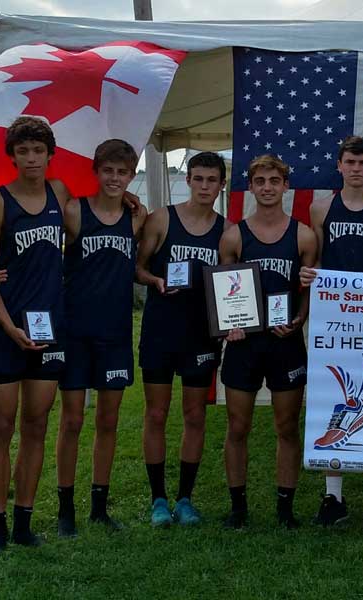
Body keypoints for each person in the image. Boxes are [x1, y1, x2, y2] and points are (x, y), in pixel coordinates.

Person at [0, 115, 71, 555]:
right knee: (1, 425)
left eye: (38, 150)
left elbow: (92, 219)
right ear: (11, 156)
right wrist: (7, 325)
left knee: (37, 424)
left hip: (50, 326)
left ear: (50, 154)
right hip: (5, 328)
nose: (31, 158)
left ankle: (23, 521)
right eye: (23, 151)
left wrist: (127, 198)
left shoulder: (60, 193)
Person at [299, 136, 363, 529]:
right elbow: (317, 259)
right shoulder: (321, 207)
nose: (356, 169)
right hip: (332, 317)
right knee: (331, 399)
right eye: (350, 162)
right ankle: (333, 495)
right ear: (339, 166)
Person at [219, 154, 317, 529]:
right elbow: (223, 289)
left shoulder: (303, 235)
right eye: (260, 181)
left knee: (286, 426)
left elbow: (308, 288)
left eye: (274, 181)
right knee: (238, 426)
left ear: (285, 186)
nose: (267, 187)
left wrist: (300, 318)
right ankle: (238, 507)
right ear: (251, 186)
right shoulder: (234, 235)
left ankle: (284, 507)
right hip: (244, 343)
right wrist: (230, 324)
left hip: (285, 342)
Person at [54, 140, 145, 537]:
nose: (114, 178)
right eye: (108, 170)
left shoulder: (136, 218)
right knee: (72, 420)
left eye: (122, 172)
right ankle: (65, 508)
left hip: (115, 333)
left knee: (108, 421)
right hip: (75, 331)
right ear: (97, 171)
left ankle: (99, 507)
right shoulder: (74, 211)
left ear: (131, 175)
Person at [135, 151, 229, 527]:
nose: (205, 186)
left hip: (201, 336)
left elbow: (230, 285)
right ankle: (158, 499)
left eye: (212, 180)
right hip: (161, 331)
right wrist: (155, 281)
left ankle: (185, 498)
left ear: (222, 185)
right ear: (188, 179)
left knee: (195, 415)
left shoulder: (227, 230)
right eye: (199, 178)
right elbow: (137, 266)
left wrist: (233, 319)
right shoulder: (162, 219)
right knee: (156, 413)